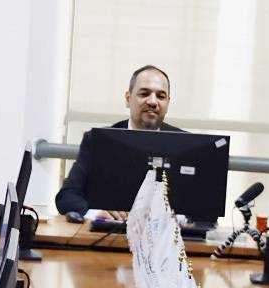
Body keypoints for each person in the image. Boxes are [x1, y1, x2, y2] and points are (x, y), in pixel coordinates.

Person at [55, 65, 182, 218]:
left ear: (167, 103)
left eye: (161, 96)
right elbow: (67, 196)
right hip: (110, 229)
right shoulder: (97, 141)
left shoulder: (183, 144)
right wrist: (96, 213)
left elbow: (202, 205)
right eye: (144, 94)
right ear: (128, 99)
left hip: (164, 231)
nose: (152, 101)